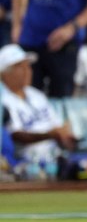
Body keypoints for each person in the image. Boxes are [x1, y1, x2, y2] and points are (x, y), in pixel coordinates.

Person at [0, 43, 78, 174]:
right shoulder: (3, 99)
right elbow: (14, 136)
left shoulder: (37, 96)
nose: (27, 71)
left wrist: (65, 136)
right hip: (25, 162)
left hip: (53, 157)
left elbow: (58, 127)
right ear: (4, 73)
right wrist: (50, 135)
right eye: (20, 67)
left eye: (28, 67)